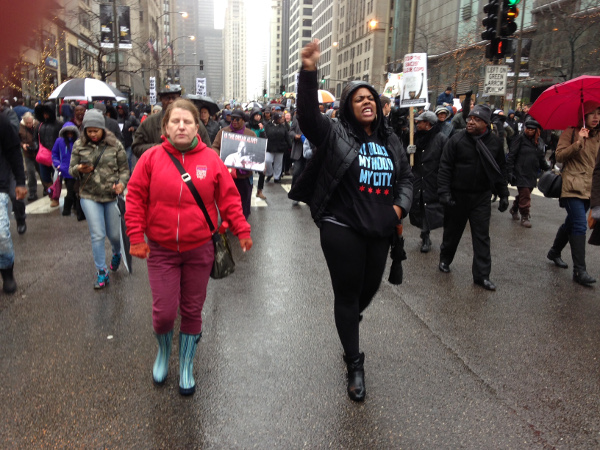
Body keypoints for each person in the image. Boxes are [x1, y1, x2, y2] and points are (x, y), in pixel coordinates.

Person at [289, 40, 413, 402]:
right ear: (347, 108)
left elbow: (406, 180)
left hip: (380, 228)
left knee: (368, 289)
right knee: (346, 294)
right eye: (358, 99)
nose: (366, 102)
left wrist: (398, 211)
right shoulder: (335, 134)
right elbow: (309, 117)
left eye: (370, 97)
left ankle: (348, 323)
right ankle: (354, 362)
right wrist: (308, 71)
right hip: (341, 228)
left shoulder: (391, 141)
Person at [125, 98, 252, 396]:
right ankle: (162, 354)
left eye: (187, 122)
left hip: (199, 249)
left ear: (197, 127)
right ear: (164, 128)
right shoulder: (151, 159)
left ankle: (185, 364)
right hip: (161, 250)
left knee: (193, 309)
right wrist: (135, 237)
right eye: (174, 122)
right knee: (165, 312)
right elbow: (135, 199)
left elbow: (230, 200)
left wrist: (241, 229)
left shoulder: (211, 159)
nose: (181, 126)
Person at [437, 104, 510, 291]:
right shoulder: (456, 139)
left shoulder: (494, 143)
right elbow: (445, 167)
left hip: (481, 197)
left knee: (482, 236)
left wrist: (503, 194)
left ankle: (482, 275)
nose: (470, 122)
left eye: (476, 120)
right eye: (470, 118)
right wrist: (444, 193)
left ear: (485, 123)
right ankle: (445, 259)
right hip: (457, 195)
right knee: (452, 232)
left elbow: (500, 169)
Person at [69, 109, 130, 289]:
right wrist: (78, 168)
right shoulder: (79, 145)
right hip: (89, 196)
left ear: (103, 128)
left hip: (111, 196)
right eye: (89, 130)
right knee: (97, 234)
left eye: (96, 130)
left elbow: (125, 169)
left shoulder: (115, 145)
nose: (93, 134)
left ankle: (117, 252)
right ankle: (101, 272)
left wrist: (122, 184)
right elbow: (70, 169)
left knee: (113, 234)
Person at [546, 105, 600, 286]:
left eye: (599, 114)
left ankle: (554, 251)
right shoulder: (571, 131)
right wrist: (578, 143)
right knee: (579, 224)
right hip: (572, 186)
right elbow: (559, 156)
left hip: (590, 189)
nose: (596, 117)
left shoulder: (598, 136)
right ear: (583, 115)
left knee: (571, 222)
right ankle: (580, 271)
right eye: (592, 113)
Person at [132, 86, 211, 158]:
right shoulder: (149, 122)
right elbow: (136, 147)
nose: (170, 101)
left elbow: (207, 149)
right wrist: (159, 148)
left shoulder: (193, 122)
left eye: (174, 98)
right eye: (167, 98)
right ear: (161, 100)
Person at [409, 110, 448, 252]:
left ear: (428, 124)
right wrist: (409, 151)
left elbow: (446, 161)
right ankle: (424, 231)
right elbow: (409, 160)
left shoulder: (441, 139)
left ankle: (426, 236)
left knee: (428, 207)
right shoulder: (414, 137)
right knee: (418, 205)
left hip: (432, 179)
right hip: (418, 178)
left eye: (420, 121)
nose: (417, 123)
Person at [0, 113, 27, 293]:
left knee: (1, 234)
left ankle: (7, 271)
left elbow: (14, 151)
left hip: (0, 184)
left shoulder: (2, 122)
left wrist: (20, 181)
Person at [506, 119, 551, 228]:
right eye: (528, 129)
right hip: (520, 172)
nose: (529, 131)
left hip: (532, 172)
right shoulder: (520, 139)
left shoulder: (539, 141)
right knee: (525, 194)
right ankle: (525, 216)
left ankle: (514, 209)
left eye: (532, 129)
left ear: (537, 131)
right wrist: (509, 171)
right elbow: (511, 155)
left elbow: (541, 158)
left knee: (524, 194)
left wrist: (547, 168)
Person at [212, 109, 256, 219]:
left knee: (244, 200)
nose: (234, 121)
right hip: (227, 174)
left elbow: (256, 152)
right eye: (232, 118)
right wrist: (220, 156)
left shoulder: (250, 134)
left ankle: (242, 220)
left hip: (244, 175)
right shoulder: (223, 132)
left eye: (237, 119)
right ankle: (226, 220)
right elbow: (215, 146)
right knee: (226, 199)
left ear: (243, 120)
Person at [34, 101, 62, 206]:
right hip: (43, 155)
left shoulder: (59, 124)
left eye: (47, 113)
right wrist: (37, 147)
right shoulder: (40, 125)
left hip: (56, 155)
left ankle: (55, 197)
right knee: (45, 178)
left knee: (56, 178)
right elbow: (35, 138)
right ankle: (53, 194)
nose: (45, 115)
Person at [51, 122, 80, 216]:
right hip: (65, 170)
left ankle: (74, 208)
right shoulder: (59, 141)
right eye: (68, 133)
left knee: (76, 190)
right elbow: (54, 154)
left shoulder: (78, 141)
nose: (70, 134)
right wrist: (58, 165)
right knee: (71, 190)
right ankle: (67, 210)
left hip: (77, 169)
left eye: (71, 132)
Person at [264, 112, 292, 183]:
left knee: (278, 164)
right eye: (279, 118)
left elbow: (287, 137)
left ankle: (277, 177)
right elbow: (264, 135)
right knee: (268, 161)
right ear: (275, 119)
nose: (281, 120)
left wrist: (290, 146)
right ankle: (269, 173)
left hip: (280, 147)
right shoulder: (268, 125)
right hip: (270, 147)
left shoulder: (283, 127)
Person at [19, 112, 39, 202]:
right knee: (30, 173)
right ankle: (32, 192)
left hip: (38, 152)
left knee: (41, 172)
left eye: (30, 123)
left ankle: (47, 188)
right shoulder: (20, 128)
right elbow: (18, 139)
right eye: (27, 123)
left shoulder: (37, 125)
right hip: (28, 153)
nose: (29, 125)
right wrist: (23, 145)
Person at [116, 104, 140, 171]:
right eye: (118, 109)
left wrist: (134, 128)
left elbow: (139, 126)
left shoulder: (131, 118)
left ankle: (129, 173)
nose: (119, 110)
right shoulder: (117, 118)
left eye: (121, 109)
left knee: (127, 158)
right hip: (119, 143)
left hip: (128, 143)